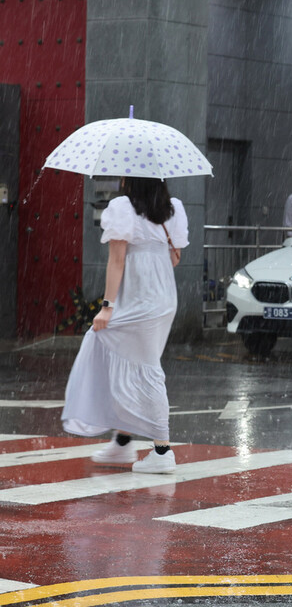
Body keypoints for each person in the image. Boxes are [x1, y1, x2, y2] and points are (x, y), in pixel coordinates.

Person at [61, 176, 189, 474]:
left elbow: (116, 261)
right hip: (163, 297)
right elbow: (175, 258)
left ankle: (162, 451)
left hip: (138, 299)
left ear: (129, 180)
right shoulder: (173, 209)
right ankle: (122, 442)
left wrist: (107, 307)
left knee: (140, 365)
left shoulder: (122, 207)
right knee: (125, 361)